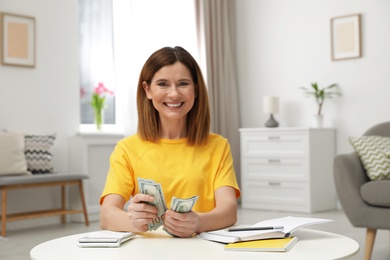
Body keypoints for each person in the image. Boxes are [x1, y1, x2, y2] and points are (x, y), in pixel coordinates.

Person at [99, 46, 240, 238]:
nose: (173, 94)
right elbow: (106, 215)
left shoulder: (218, 146)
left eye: (183, 84)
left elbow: (229, 210)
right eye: (163, 84)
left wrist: (198, 222)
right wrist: (132, 221)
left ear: (196, 90)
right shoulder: (127, 149)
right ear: (147, 89)